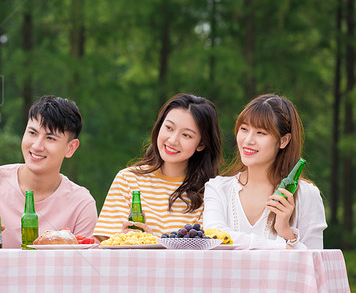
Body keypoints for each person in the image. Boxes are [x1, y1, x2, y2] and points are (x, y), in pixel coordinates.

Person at [0, 95, 97, 259]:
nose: (36, 145)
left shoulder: (81, 203)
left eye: (50, 138)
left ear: (70, 148)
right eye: (32, 133)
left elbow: (85, 271)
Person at [203, 94, 326, 249]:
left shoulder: (306, 194)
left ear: (284, 140)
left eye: (260, 133)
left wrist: (286, 232)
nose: (248, 140)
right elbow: (215, 236)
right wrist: (282, 247)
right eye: (244, 129)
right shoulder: (218, 188)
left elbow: (315, 263)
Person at [94, 93, 223, 239]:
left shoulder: (210, 192)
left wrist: (151, 241)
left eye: (186, 135)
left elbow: (205, 250)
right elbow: (103, 242)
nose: (173, 140)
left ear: (201, 144)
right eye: (169, 128)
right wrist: (122, 238)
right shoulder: (128, 180)